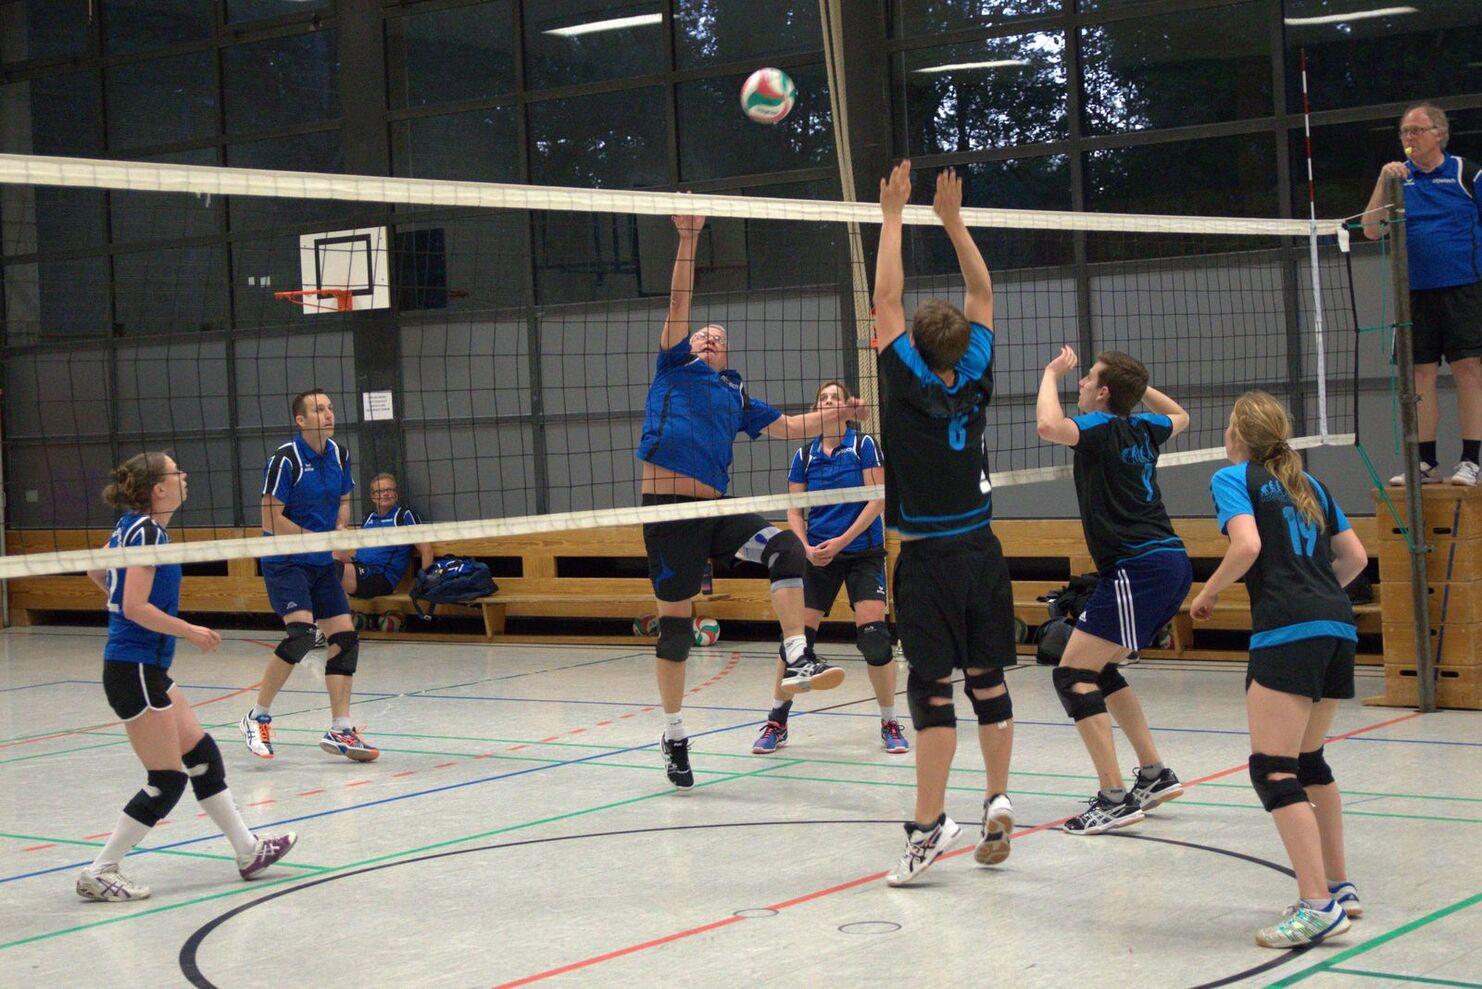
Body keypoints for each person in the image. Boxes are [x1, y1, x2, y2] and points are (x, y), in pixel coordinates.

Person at [639, 212, 868, 791]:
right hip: (668, 514)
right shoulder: (673, 366)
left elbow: (791, 424)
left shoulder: (734, 391)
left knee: (787, 545)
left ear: (727, 353)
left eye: (719, 338)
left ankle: (797, 652)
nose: (709, 338)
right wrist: (689, 238)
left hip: (715, 510)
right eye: (702, 335)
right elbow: (679, 301)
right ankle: (673, 731)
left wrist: (837, 414)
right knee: (674, 631)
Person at [875, 163, 1017, 887]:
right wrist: (952, 221)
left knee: (929, 689)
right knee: (987, 677)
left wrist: (893, 214)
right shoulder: (980, 371)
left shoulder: (907, 382)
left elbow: (885, 297)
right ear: (960, 346)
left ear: (916, 349)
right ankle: (997, 794)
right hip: (984, 549)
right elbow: (983, 292)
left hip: (929, 557)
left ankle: (928, 826)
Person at [78, 452, 296, 901]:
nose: (185, 475)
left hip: (146, 666)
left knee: (202, 754)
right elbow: (136, 606)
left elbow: (96, 570)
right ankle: (101, 869)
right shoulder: (147, 533)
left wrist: (119, 601)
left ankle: (248, 851)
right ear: (158, 488)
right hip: (133, 668)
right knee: (167, 779)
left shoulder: (132, 526)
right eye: (177, 471)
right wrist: (189, 629)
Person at [1192, 391, 1368, 948]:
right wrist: (1316, 599)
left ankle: (1317, 905)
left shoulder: (1234, 476)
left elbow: (1246, 544)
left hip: (1289, 632)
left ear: (1238, 437)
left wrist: (1209, 594)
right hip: (1338, 627)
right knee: (1310, 761)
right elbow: (1356, 559)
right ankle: (1340, 887)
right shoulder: (1309, 483)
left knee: (1273, 768)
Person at [1035, 346, 1191, 835]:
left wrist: (1050, 374)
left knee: (1071, 674)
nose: (1079, 384)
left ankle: (1113, 798)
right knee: (1097, 668)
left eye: (1088, 380)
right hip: (1168, 563)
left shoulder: (1102, 427)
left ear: (1103, 392)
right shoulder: (1145, 428)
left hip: (1138, 568)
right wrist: (1134, 385)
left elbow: (1047, 425)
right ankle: (1154, 773)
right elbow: (1181, 415)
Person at [753, 381, 906, 756]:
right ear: (815, 408)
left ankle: (889, 721)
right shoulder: (804, 456)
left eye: (835, 398)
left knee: (874, 636)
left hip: (862, 553)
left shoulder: (863, 446)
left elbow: (877, 499)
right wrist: (805, 547)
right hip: (817, 555)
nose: (829, 402)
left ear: (845, 407)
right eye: (823, 399)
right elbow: (794, 509)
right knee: (795, 641)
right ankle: (776, 721)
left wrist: (841, 542)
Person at [239, 390, 376, 763]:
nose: (328, 414)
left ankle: (341, 728)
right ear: (300, 420)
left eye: (330, 407)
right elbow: (269, 519)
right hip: (286, 559)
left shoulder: (340, 455)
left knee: (345, 638)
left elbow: (344, 500)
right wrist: (318, 540)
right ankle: (257, 716)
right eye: (318, 409)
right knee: (301, 636)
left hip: (320, 561)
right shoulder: (286, 460)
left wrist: (340, 531)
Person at [1362, 103, 1482, 487]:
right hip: (1413, 294)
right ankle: (1425, 463)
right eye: (1404, 132)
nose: (1410, 138)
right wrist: (1384, 180)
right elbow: (1370, 230)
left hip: (1464, 289)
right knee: (1419, 375)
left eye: (1417, 130)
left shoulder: (1468, 173)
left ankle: (1472, 460)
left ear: (1439, 134)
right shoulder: (1399, 180)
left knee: (1467, 370)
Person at [335, 472, 432, 599]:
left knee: (332, 569)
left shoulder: (404, 516)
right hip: (360, 567)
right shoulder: (369, 517)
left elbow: (427, 550)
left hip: (381, 577)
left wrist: (423, 583)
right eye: (380, 491)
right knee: (325, 556)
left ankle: (340, 611)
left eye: (389, 490)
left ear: (395, 495)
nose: (385, 494)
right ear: (373, 497)